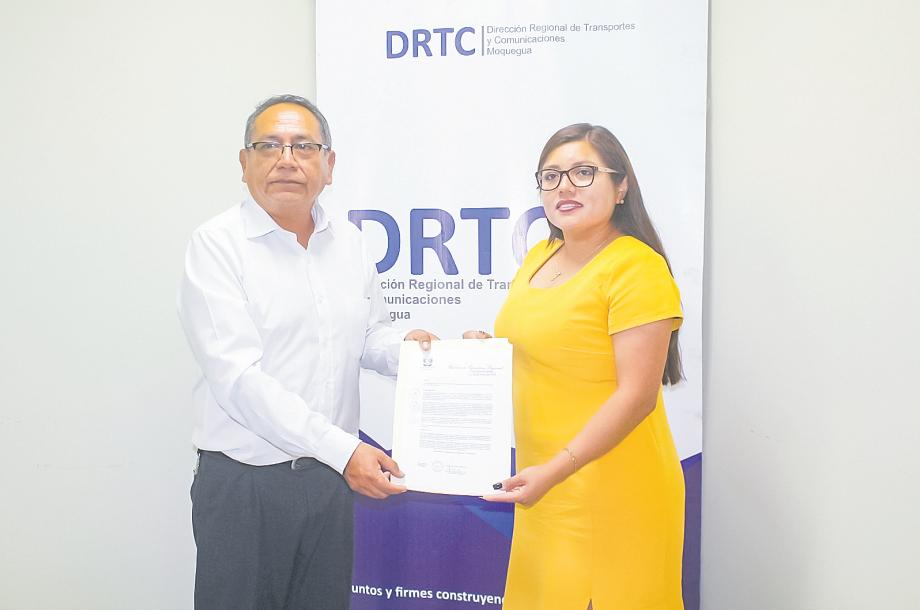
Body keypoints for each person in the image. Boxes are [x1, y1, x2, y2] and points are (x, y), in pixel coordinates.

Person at [177, 94, 436, 610]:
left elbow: (368, 336)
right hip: (246, 486)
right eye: (269, 146)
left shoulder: (351, 244)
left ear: (329, 164)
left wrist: (417, 354)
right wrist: (343, 451)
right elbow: (239, 380)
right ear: (244, 163)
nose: (286, 160)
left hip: (328, 484)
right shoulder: (216, 246)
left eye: (303, 146)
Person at [472, 123, 686, 609]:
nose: (564, 187)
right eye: (551, 177)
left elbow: (637, 396)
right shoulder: (540, 255)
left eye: (583, 173)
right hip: (543, 488)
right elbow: (545, 349)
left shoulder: (636, 267)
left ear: (621, 185)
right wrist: (480, 352)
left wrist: (555, 471)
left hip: (614, 492)